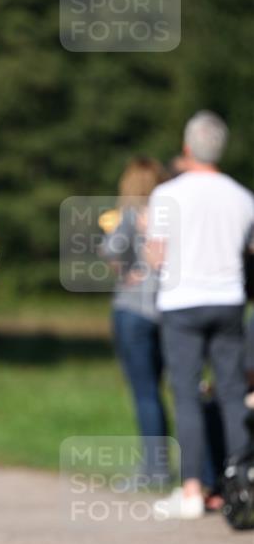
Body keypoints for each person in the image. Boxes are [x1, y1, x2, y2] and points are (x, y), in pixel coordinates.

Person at [147, 111, 254, 519]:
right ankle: (239, 481)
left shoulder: (167, 195)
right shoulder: (244, 197)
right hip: (229, 301)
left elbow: (156, 256)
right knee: (230, 394)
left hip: (181, 302)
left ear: (188, 147)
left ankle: (192, 489)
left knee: (188, 396)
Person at [100, 157, 170, 485]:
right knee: (166, 391)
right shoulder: (172, 217)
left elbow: (111, 251)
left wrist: (129, 266)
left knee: (145, 393)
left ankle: (154, 471)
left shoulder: (129, 216)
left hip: (133, 311)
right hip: (168, 310)